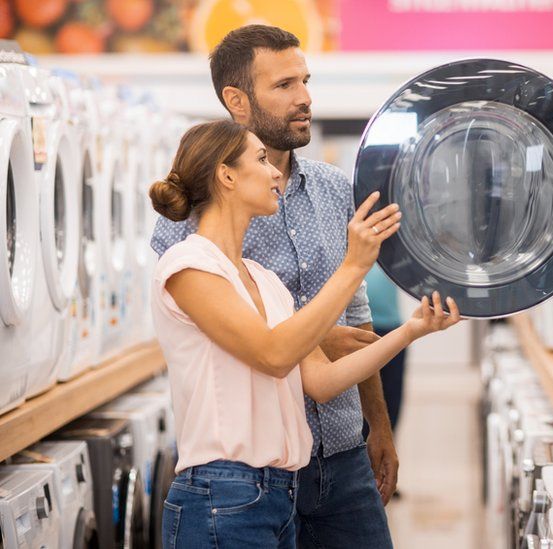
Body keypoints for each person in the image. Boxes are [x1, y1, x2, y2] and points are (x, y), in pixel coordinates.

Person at [149, 120, 461, 548]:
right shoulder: (188, 266)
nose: (276, 172)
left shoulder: (265, 281)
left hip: (277, 495)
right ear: (226, 176)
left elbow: (321, 381)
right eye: (260, 160)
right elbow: (274, 355)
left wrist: (411, 330)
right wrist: (353, 266)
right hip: (220, 495)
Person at [151, 25, 402, 547]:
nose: (305, 97)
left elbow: (356, 321)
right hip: (240, 470)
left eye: (305, 81)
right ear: (236, 100)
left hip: (340, 447)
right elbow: (213, 334)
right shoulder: (192, 220)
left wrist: (378, 425)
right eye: (284, 85)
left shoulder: (334, 190)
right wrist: (314, 338)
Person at [364, 266, 407, 436]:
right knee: (362, 398)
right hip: (357, 328)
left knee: (391, 400)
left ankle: (387, 440)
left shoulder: (391, 250)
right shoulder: (343, 245)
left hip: (390, 327)